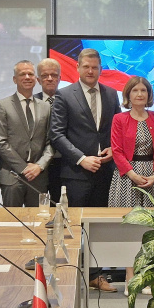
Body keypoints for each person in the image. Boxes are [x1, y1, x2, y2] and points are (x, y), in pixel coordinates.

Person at [49, 48, 121, 292]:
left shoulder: (112, 95)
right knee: (73, 229)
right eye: (86, 67)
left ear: (100, 69)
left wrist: (113, 148)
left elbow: (117, 130)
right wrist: (81, 159)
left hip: (104, 172)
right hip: (76, 174)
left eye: (95, 67)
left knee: (98, 228)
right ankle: (70, 276)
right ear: (78, 68)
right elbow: (56, 134)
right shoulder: (64, 95)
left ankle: (95, 276)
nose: (91, 71)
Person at [108, 76, 154, 295]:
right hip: (126, 177)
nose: (140, 94)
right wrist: (132, 174)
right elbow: (117, 150)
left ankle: (147, 276)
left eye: (144, 90)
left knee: (150, 230)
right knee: (128, 228)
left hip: (151, 177)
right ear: (128, 95)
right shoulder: (119, 119)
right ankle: (130, 277)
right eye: (135, 91)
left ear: (149, 95)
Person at [0, 60, 54, 207]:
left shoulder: (46, 107)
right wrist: (24, 168)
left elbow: (51, 142)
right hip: (12, 176)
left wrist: (39, 166)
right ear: (15, 79)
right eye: (22, 74)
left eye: (31, 74)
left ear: (36, 79)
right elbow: (0, 142)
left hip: (38, 177)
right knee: (13, 224)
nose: (27, 77)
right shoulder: (2, 105)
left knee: (38, 223)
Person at [34, 58, 64, 202]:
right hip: (38, 164)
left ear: (60, 78)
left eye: (54, 75)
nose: (50, 79)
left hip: (64, 164)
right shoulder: (30, 102)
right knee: (39, 208)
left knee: (61, 205)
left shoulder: (70, 101)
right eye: (45, 76)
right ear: (38, 80)